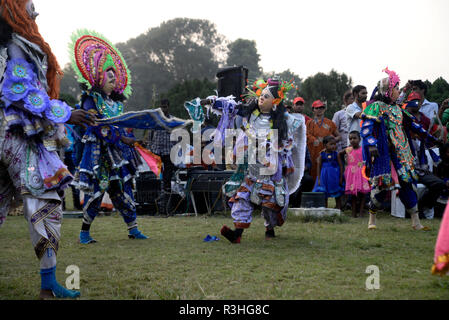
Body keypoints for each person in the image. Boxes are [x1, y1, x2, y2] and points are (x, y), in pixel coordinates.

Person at [0, 0, 96, 299]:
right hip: (16, 134)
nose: (35, 11)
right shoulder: (17, 47)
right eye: (29, 5)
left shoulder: (12, 44)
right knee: (46, 200)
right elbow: (23, 93)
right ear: (13, 10)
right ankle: (48, 286)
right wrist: (67, 113)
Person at [190, 77, 307, 243]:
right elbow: (232, 107)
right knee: (243, 197)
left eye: (266, 96)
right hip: (251, 165)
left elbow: (291, 139)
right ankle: (237, 234)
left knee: (269, 202)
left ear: (275, 102)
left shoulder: (284, 120)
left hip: (271, 168)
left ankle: (270, 228)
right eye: (261, 95)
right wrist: (211, 102)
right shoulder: (250, 113)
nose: (262, 98)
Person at [69, 30, 148, 244]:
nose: (113, 81)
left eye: (115, 78)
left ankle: (133, 229)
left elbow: (121, 127)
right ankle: (84, 232)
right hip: (98, 154)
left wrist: (128, 139)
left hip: (117, 154)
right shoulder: (90, 99)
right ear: (98, 78)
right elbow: (93, 124)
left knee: (122, 188)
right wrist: (119, 137)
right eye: (109, 77)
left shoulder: (117, 104)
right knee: (98, 189)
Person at [361, 67, 430, 231]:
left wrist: (432, 137)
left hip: (402, 153)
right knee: (381, 187)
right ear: (387, 90)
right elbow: (366, 129)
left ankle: (416, 222)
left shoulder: (399, 109)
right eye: (396, 88)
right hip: (384, 153)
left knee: (407, 185)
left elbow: (415, 127)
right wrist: (371, 144)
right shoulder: (377, 107)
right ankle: (372, 218)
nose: (399, 91)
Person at [145, 99, 176, 215]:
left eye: (165, 107)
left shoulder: (173, 120)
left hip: (168, 152)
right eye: (162, 107)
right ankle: (156, 207)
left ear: (169, 107)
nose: (163, 109)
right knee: (155, 179)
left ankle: (167, 208)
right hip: (156, 151)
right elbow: (150, 135)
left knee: (167, 179)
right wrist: (149, 149)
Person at [306, 99, 341, 183]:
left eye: (321, 108)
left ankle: (327, 192)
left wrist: (332, 141)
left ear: (324, 109)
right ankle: (315, 192)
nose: (319, 110)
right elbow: (306, 134)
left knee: (327, 170)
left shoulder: (329, 123)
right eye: (317, 108)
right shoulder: (309, 123)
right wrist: (314, 139)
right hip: (313, 152)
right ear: (313, 110)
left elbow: (339, 136)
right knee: (313, 170)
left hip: (326, 152)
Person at [340, 131, 370, 217]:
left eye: (354, 138)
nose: (352, 140)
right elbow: (339, 154)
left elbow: (369, 157)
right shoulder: (348, 149)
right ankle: (353, 212)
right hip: (351, 174)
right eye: (350, 138)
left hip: (361, 173)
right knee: (353, 194)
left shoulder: (363, 149)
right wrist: (341, 165)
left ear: (359, 139)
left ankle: (361, 212)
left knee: (363, 193)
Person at [312, 136, 344, 209]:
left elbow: (341, 166)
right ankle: (325, 208)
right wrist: (319, 179)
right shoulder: (322, 155)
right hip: (324, 176)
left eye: (334, 144)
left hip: (334, 177)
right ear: (325, 145)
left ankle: (339, 208)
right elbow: (319, 166)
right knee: (324, 193)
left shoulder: (336, 154)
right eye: (331, 144)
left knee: (337, 192)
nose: (333, 146)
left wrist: (341, 177)